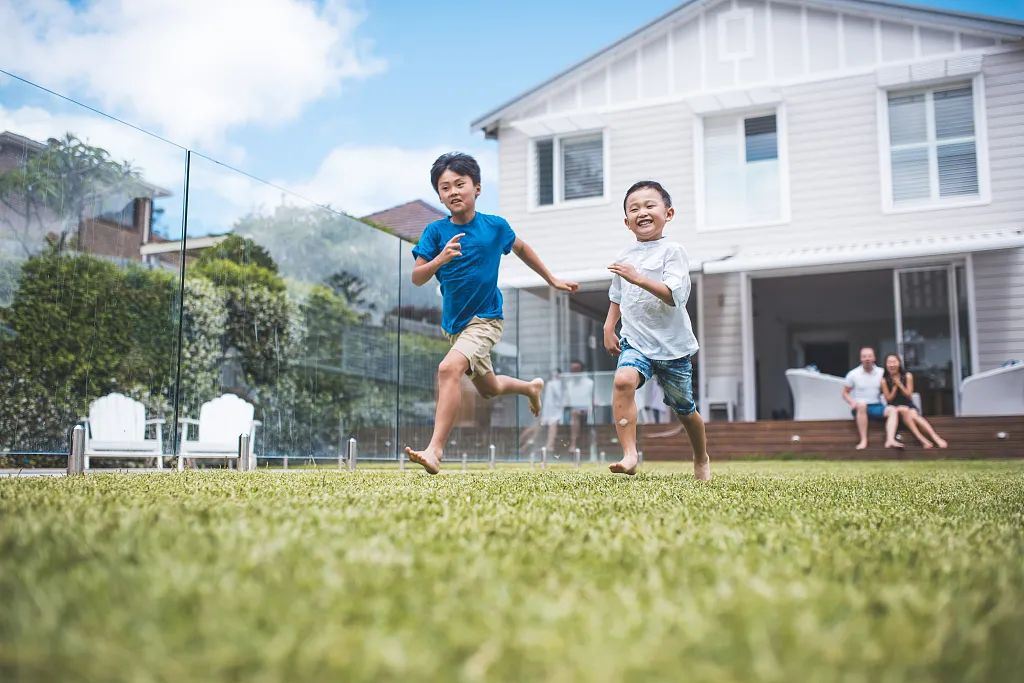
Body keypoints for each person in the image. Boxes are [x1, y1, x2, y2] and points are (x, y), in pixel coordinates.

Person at [405, 152, 578, 473]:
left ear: (477, 188)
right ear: (439, 196)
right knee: (489, 389)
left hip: (486, 319)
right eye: (445, 187)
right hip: (455, 326)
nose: (453, 192)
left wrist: (551, 279)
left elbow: (522, 248)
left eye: (460, 184)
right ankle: (530, 388)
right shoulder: (435, 232)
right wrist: (440, 259)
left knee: (448, 369)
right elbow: (417, 277)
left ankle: (434, 450)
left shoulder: (494, 227)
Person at [602, 180, 711, 481]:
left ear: (668, 213)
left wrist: (638, 278)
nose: (642, 212)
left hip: (673, 348)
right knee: (623, 380)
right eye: (634, 208)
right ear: (627, 221)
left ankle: (701, 457)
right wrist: (609, 325)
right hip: (635, 341)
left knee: (685, 410)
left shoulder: (673, 251)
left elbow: (674, 296)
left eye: (650, 205)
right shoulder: (624, 257)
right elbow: (617, 295)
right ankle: (630, 455)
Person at [881, 353, 948, 448]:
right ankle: (922, 439)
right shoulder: (884, 380)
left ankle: (935, 437)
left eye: (894, 362)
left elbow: (909, 395)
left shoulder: (907, 376)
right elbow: (888, 399)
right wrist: (895, 388)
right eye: (889, 362)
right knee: (903, 410)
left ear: (899, 363)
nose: (892, 365)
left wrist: (900, 384)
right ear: (886, 365)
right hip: (894, 408)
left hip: (908, 405)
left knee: (913, 414)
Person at [842, 347, 901, 450]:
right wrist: (852, 402)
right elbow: (845, 392)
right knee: (862, 405)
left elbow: (892, 384)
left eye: (870, 356)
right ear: (861, 359)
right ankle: (863, 440)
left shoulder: (882, 372)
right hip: (860, 407)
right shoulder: (853, 374)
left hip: (876, 406)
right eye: (864, 356)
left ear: (874, 358)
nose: (867, 359)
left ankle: (890, 440)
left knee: (892, 410)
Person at [519, 368, 565, 454]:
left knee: (537, 430)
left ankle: (524, 446)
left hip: (549, 412)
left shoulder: (553, 384)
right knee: (535, 429)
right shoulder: (550, 384)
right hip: (546, 411)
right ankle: (521, 444)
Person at [563, 359, 594, 454]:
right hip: (572, 412)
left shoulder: (589, 383)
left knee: (575, 413)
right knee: (574, 413)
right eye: (572, 370)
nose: (574, 372)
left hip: (586, 411)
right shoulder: (568, 384)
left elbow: (594, 399)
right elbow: (566, 401)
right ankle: (573, 444)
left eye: (577, 369)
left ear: (581, 370)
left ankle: (573, 444)